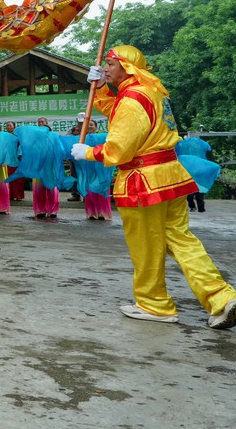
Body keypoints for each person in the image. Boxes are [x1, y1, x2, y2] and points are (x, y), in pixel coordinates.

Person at [73, 47, 236, 329]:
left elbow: (120, 148)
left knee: (146, 247)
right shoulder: (151, 91)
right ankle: (222, 297)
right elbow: (122, 115)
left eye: (110, 64)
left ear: (128, 67)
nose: (105, 68)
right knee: (182, 241)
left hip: (142, 179)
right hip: (170, 175)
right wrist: (100, 89)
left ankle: (154, 304)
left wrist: (88, 153)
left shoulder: (132, 98)